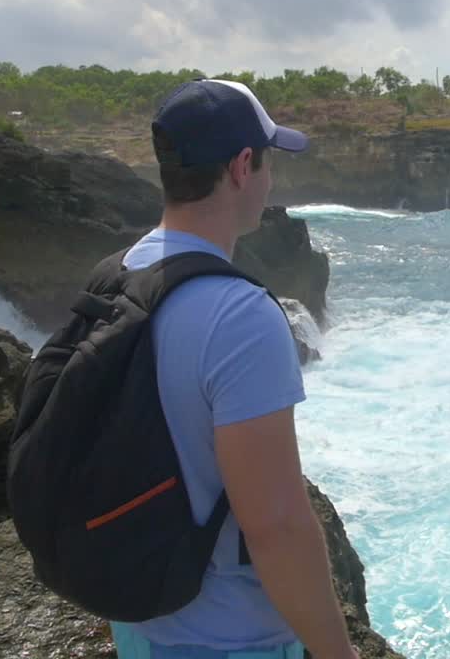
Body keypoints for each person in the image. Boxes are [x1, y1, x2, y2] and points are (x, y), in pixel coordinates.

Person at [109, 78, 358, 659]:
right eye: (268, 160)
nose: (271, 177)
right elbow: (276, 527)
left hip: (139, 623)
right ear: (243, 166)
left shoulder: (121, 271)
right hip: (227, 639)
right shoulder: (240, 316)